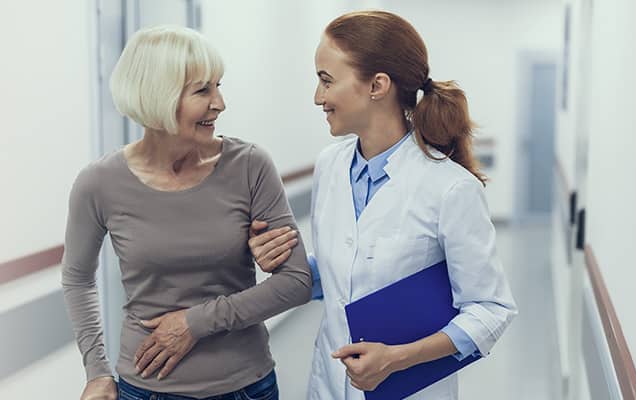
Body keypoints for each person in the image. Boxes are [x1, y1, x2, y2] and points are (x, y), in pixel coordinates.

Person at [247, 10, 517, 399]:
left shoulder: (450, 188)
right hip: (329, 383)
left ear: (377, 85)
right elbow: (340, 269)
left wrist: (398, 358)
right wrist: (281, 261)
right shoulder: (331, 165)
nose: (318, 97)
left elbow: (490, 310)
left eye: (326, 80)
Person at [61, 25, 311, 400]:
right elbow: (78, 278)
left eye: (218, 86)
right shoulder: (99, 182)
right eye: (202, 90)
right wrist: (96, 371)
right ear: (158, 97)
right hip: (145, 390)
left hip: (245, 387)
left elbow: (295, 282)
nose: (220, 103)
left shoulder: (249, 165)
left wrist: (195, 323)